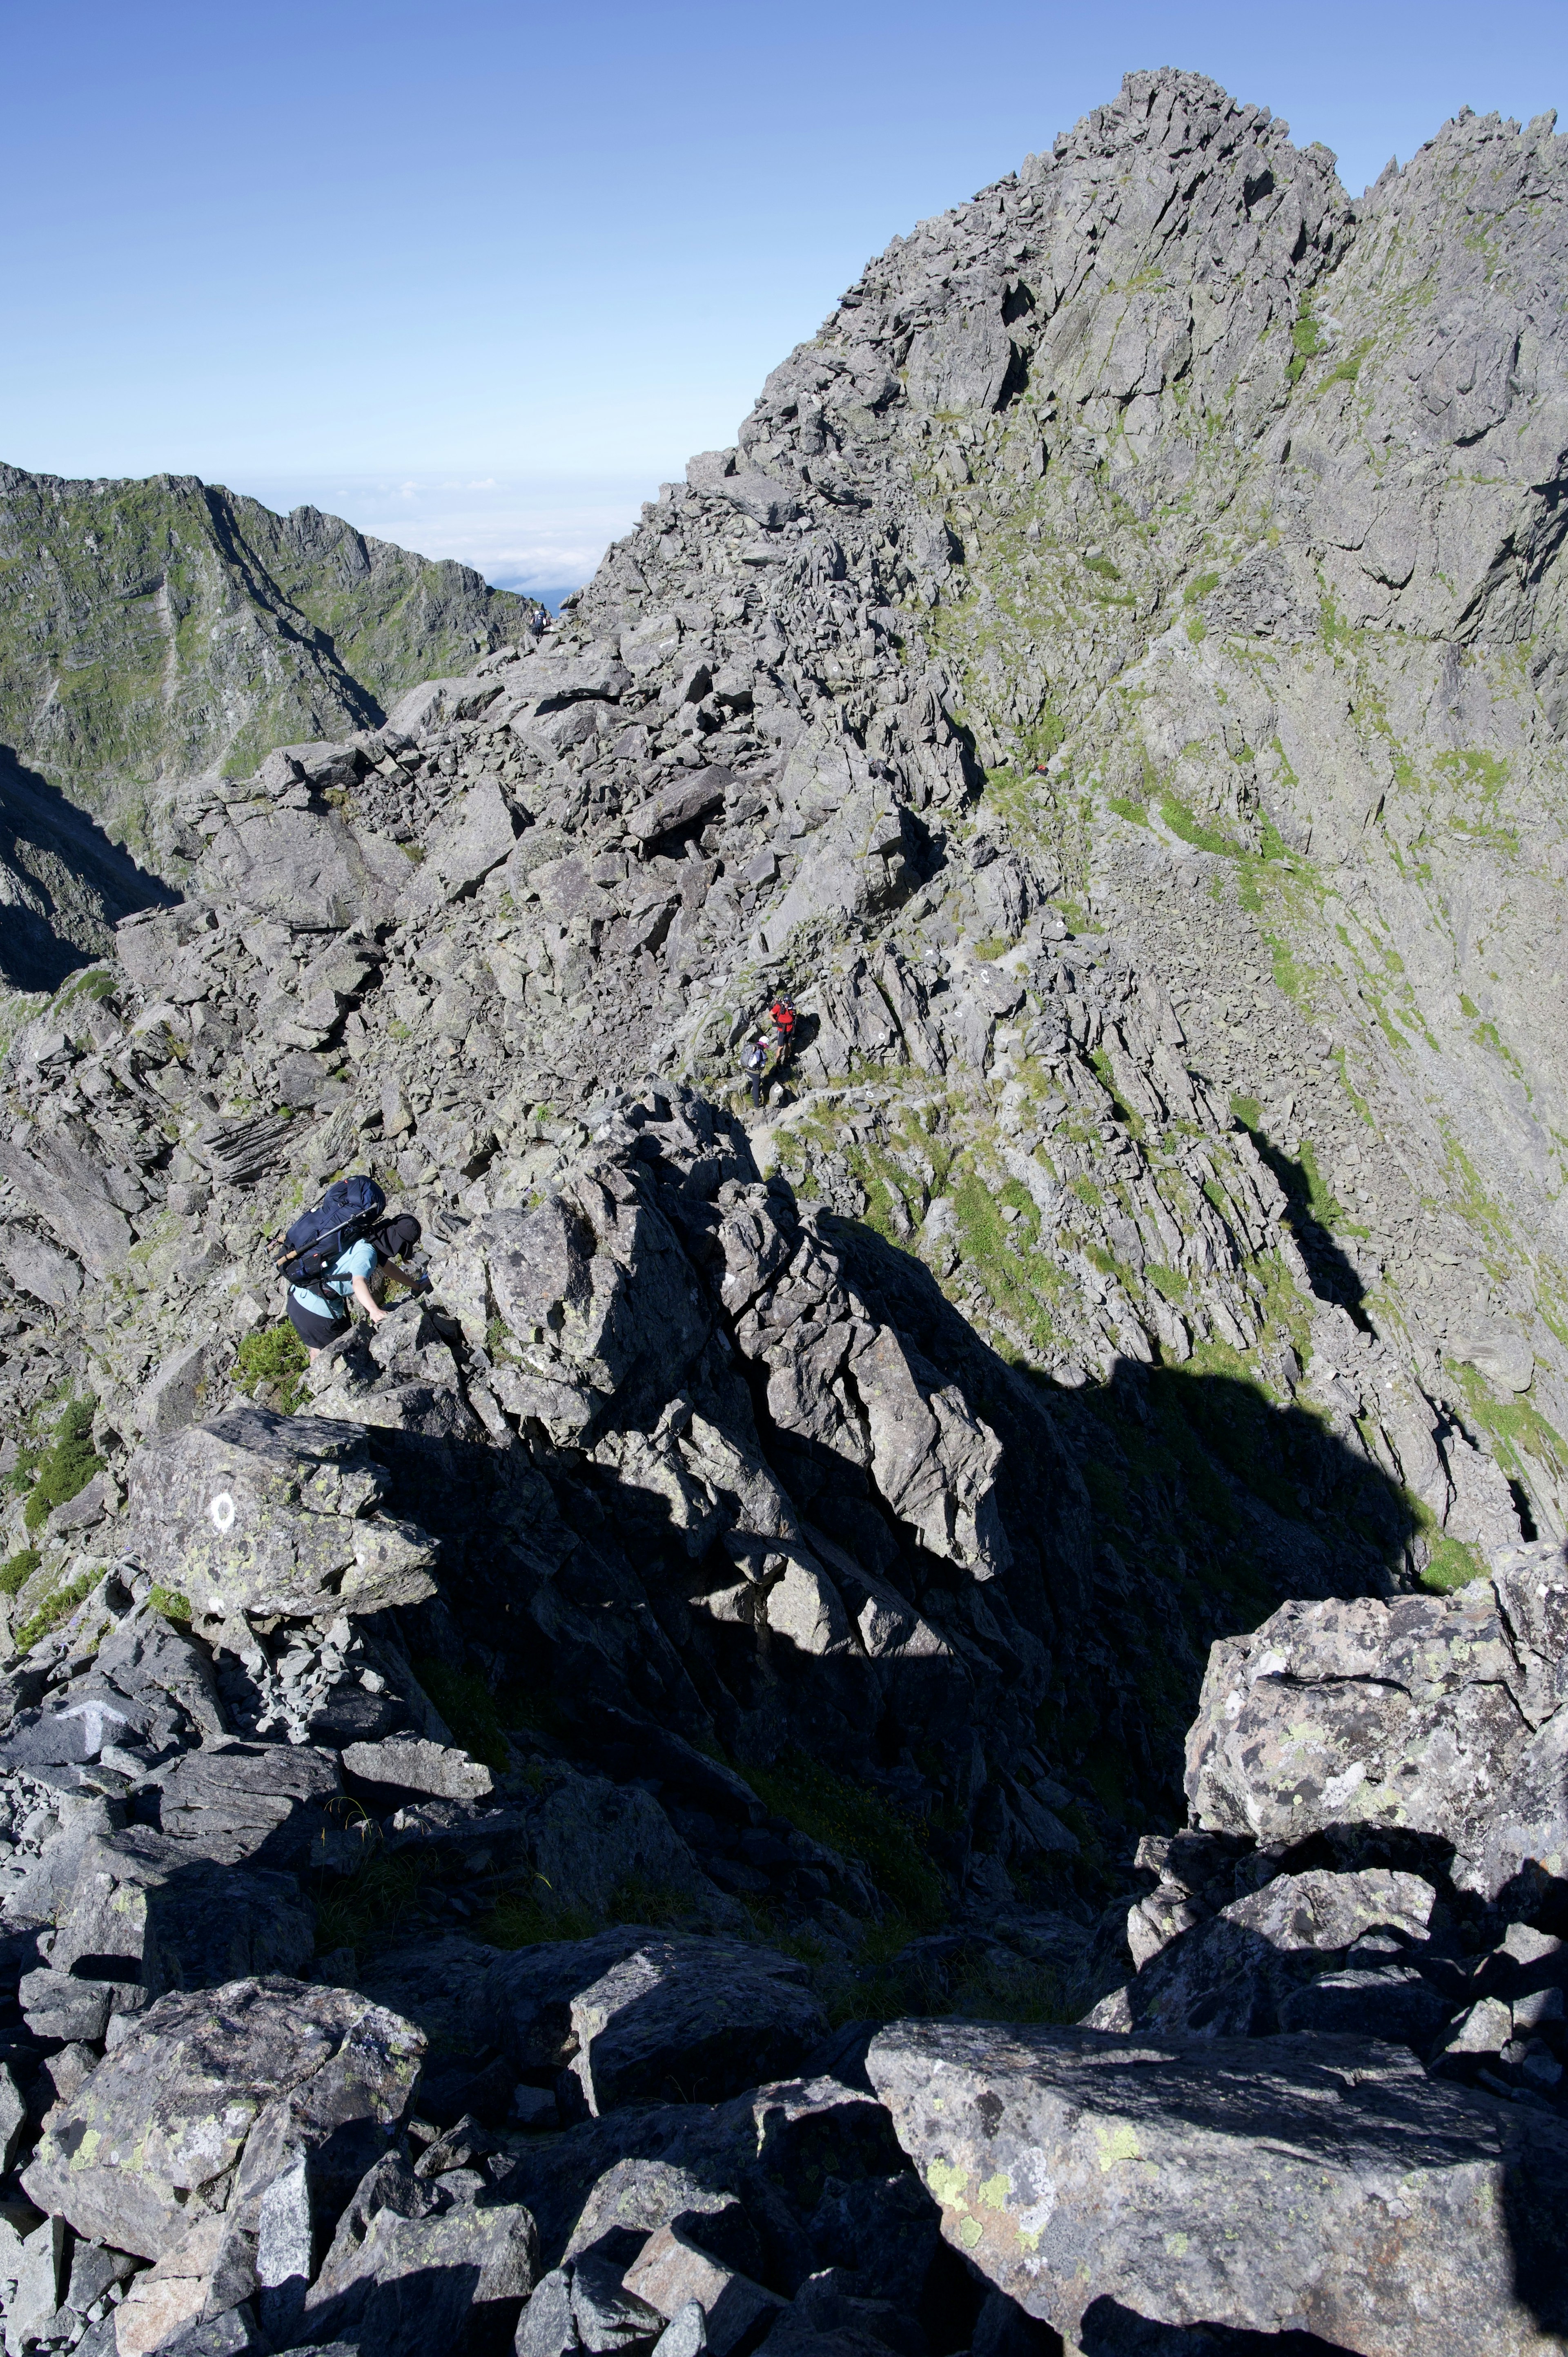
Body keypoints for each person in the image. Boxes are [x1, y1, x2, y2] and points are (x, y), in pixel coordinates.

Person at [285, 1211, 428, 1361]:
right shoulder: (368, 1253)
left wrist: (417, 1286)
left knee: (318, 1353)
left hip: (299, 1298)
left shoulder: (364, 1238)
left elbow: (390, 1269)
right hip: (317, 1312)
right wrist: (374, 1311)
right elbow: (358, 1281)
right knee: (333, 1360)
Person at [741, 1032, 771, 1109]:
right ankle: (756, 1106)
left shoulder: (752, 1046)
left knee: (757, 1084)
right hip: (754, 1072)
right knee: (756, 1087)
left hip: (747, 1069)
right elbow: (758, 1063)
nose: (765, 1048)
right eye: (766, 1046)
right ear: (764, 1044)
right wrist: (762, 1065)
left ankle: (753, 1097)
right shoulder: (759, 1050)